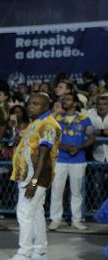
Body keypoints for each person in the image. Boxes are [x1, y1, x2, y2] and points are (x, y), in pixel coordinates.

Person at [3, 93, 61, 260]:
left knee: (24, 212)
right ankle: (40, 252)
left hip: (35, 176)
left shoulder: (49, 124)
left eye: (36, 104)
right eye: (30, 103)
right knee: (36, 214)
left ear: (46, 107)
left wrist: (34, 182)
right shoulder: (35, 123)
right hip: (27, 174)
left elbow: (44, 155)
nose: (31, 106)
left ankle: (24, 254)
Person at [49, 93, 95, 230]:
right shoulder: (56, 118)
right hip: (60, 159)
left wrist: (78, 148)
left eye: (68, 100)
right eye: (63, 99)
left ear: (75, 103)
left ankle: (77, 220)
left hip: (78, 160)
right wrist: (64, 147)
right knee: (57, 190)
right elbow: (51, 137)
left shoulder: (85, 119)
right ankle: (55, 220)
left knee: (76, 192)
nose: (64, 101)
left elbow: (91, 137)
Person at [87, 94, 108, 163]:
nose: (101, 107)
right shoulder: (90, 114)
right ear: (96, 105)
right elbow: (86, 130)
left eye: (105, 104)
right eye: (99, 104)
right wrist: (102, 132)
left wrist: (95, 131)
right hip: (96, 155)